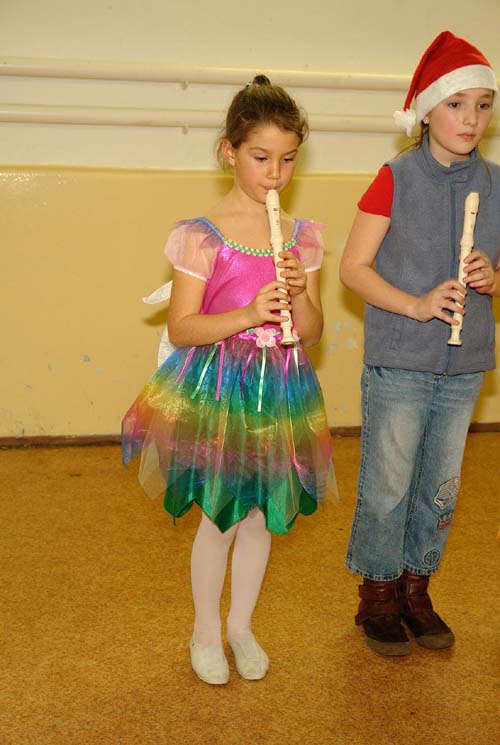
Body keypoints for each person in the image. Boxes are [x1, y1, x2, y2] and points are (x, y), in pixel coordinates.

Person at [122, 76, 333, 683]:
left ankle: (240, 626)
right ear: (230, 152)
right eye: (261, 157)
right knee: (220, 516)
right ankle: (205, 632)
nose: (275, 173)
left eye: (288, 159)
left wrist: (298, 292)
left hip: (279, 389)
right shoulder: (201, 234)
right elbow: (183, 326)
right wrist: (247, 313)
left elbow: (312, 332)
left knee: (262, 516)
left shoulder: (302, 236)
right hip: (220, 389)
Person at [340, 30, 500, 657]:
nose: (471, 119)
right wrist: (416, 304)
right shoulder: (395, 177)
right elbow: (353, 269)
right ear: (427, 111)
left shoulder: (497, 183)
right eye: (456, 104)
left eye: (483, 105)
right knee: (389, 483)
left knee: (439, 486)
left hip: (465, 363)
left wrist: (493, 279)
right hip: (401, 358)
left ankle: (416, 588)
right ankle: (378, 593)